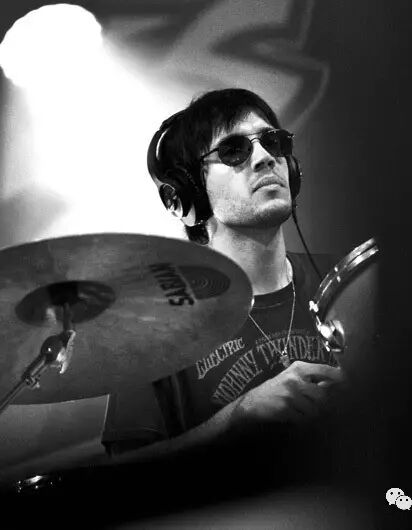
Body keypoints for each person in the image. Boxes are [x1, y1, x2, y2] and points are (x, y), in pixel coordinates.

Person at [101, 88, 345, 485]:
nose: (265, 158)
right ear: (188, 196)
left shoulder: (349, 279)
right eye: (233, 151)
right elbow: (121, 484)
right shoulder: (151, 325)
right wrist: (238, 416)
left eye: (273, 142)